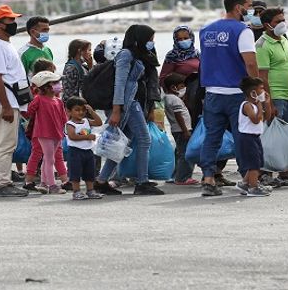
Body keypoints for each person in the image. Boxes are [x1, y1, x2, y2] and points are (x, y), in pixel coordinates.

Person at [198, 0, 259, 197]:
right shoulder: (243, 31)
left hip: (212, 92)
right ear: (238, 7)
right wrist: (256, 90)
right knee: (244, 136)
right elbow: (250, 62)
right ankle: (247, 180)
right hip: (236, 93)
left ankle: (208, 177)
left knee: (212, 137)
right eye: (249, 6)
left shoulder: (206, 30)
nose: (251, 11)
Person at [94, 24, 164, 196]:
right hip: (127, 104)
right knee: (144, 140)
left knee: (122, 143)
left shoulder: (141, 55)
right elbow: (120, 84)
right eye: (149, 39)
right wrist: (117, 110)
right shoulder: (126, 55)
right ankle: (142, 182)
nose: (151, 43)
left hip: (134, 103)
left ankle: (101, 181)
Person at [255, 7, 288, 186]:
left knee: (285, 135)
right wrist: (268, 101)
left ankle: (285, 173)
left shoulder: (284, 40)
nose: (282, 24)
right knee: (271, 136)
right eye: (278, 21)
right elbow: (262, 76)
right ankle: (265, 173)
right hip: (275, 95)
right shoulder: (262, 45)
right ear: (267, 25)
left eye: (283, 20)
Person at [0, 5, 30, 197]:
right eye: (10, 20)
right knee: (4, 144)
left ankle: (4, 181)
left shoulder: (4, 44)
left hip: (10, 102)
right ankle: (2, 184)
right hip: (4, 103)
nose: (14, 23)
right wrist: (7, 106)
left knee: (8, 143)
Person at [23, 59, 70, 191]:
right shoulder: (39, 99)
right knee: (49, 159)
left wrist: (67, 131)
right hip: (44, 133)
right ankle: (52, 185)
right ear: (46, 86)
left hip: (57, 134)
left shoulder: (58, 101)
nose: (58, 85)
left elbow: (64, 119)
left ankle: (44, 183)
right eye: (55, 83)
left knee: (48, 159)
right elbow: (28, 112)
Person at [234, 77, 270, 197]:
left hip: (255, 137)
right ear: (253, 92)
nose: (263, 91)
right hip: (247, 138)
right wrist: (260, 107)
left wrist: (267, 104)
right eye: (261, 89)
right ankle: (253, 187)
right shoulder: (247, 105)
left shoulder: (255, 105)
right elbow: (255, 120)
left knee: (258, 161)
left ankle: (245, 183)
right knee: (253, 163)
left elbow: (264, 118)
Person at [65, 96, 104, 200]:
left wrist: (92, 112)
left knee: (90, 172)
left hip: (88, 151)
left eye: (83, 110)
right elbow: (72, 136)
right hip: (75, 152)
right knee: (75, 172)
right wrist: (87, 136)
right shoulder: (70, 124)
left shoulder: (86, 121)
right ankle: (76, 191)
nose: (81, 112)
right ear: (69, 111)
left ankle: (90, 190)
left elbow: (99, 122)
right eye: (77, 110)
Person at [163, 73, 197, 185]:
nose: (184, 89)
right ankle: (183, 177)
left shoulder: (168, 98)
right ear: (173, 87)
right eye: (182, 86)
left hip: (176, 130)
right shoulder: (175, 100)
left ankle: (174, 175)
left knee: (179, 153)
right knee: (186, 154)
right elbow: (179, 115)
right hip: (182, 130)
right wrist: (185, 130)